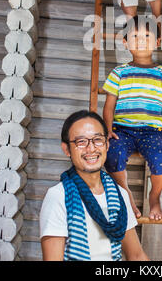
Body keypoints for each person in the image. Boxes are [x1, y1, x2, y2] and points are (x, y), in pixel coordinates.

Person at [39, 110, 149, 261]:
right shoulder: (58, 196)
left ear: (107, 145)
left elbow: (136, 256)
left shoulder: (120, 195)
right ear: (66, 150)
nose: (91, 149)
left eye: (97, 140)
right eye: (81, 142)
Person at [102, 16, 162, 221]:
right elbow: (109, 105)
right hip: (122, 129)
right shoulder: (119, 72)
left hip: (152, 131)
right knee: (112, 154)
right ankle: (125, 194)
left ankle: (154, 197)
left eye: (147, 35)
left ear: (157, 41)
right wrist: (107, 130)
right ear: (125, 42)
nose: (141, 39)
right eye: (135, 36)